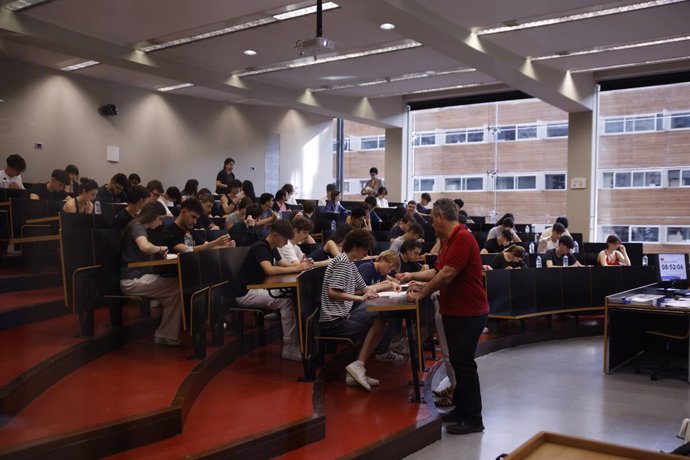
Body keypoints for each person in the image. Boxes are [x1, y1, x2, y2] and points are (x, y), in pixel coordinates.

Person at [405, 198, 489, 435]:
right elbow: (438, 271)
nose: (431, 223)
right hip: (457, 312)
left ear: (441, 216)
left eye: (432, 218)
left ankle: (473, 419)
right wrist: (412, 279)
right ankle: (461, 410)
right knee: (458, 364)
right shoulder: (449, 241)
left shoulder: (462, 238)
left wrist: (422, 293)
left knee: (464, 365)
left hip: (469, 313)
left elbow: (447, 275)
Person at [319, 228, 388, 389]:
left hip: (342, 315)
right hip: (333, 321)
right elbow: (333, 292)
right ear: (356, 247)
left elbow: (365, 288)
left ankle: (358, 367)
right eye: (364, 250)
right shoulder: (343, 263)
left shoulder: (349, 263)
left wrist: (382, 288)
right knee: (377, 322)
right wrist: (360, 298)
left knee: (381, 319)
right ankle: (357, 368)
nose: (366, 254)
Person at [235, 220, 310, 361]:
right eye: (285, 239)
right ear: (275, 235)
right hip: (246, 293)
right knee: (286, 301)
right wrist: (296, 268)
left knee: (291, 296)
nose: (287, 243)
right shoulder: (260, 247)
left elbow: (283, 264)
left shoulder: (272, 246)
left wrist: (301, 266)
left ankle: (297, 342)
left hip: (259, 289)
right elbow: (269, 270)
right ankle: (289, 348)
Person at [120, 201, 182, 346]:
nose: (161, 223)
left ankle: (166, 335)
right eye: (160, 219)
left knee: (174, 292)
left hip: (137, 276)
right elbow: (145, 247)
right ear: (152, 216)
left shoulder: (138, 227)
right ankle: (165, 335)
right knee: (178, 286)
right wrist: (160, 248)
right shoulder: (137, 227)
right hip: (132, 280)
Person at [164, 199, 234, 254]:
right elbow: (187, 250)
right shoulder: (169, 231)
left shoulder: (191, 230)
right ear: (183, 212)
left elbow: (206, 246)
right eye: (193, 217)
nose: (195, 222)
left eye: (197, 218)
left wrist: (225, 246)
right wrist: (215, 243)